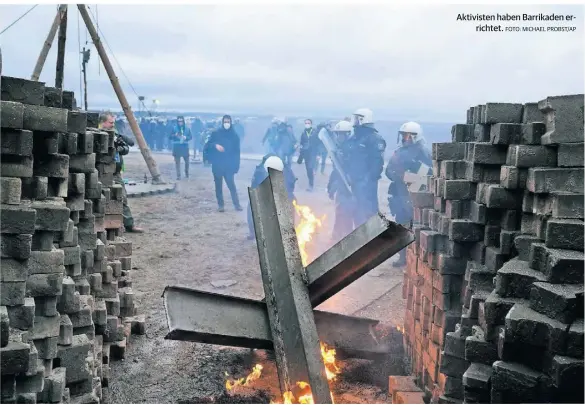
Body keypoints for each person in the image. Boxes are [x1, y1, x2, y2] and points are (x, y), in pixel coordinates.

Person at [385, 121, 432, 267]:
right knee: (401, 225)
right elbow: (388, 171)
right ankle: (403, 257)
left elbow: (430, 174)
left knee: (416, 226)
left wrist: (410, 176)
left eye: (408, 136)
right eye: (404, 135)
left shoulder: (424, 152)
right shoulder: (398, 152)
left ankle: (416, 257)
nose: (405, 139)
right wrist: (396, 175)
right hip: (399, 194)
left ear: (415, 136)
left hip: (415, 194)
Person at [99, 112, 144, 233]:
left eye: (113, 122)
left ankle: (129, 224)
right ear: (103, 122)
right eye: (110, 122)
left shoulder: (115, 134)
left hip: (116, 172)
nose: (113, 125)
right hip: (101, 173)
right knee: (101, 199)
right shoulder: (97, 134)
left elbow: (126, 148)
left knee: (122, 197)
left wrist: (119, 148)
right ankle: (105, 226)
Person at [345, 108, 386, 226]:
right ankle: (359, 237)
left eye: (358, 119)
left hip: (367, 183)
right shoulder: (354, 138)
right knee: (356, 211)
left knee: (368, 211)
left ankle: (372, 238)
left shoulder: (374, 139)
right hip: (353, 181)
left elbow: (377, 163)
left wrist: (367, 180)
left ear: (364, 120)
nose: (355, 122)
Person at [246, 155, 297, 240]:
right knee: (252, 204)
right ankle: (253, 232)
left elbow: (290, 188)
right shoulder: (259, 172)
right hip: (265, 192)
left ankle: (288, 231)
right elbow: (255, 188)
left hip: (281, 192)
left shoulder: (287, 172)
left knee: (292, 202)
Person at [203, 115, 243, 212]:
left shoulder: (234, 136)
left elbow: (237, 152)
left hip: (229, 164)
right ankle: (221, 205)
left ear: (231, 122)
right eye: (225, 122)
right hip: (217, 164)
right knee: (218, 186)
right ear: (222, 122)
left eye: (228, 122)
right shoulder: (216, 133)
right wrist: (215, 145)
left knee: (231, 185)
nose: (226, 124)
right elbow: (208, 145)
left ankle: (237, 205)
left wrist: (236, 166)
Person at [327, 120, 355, 242]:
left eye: (342, 134)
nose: (339, 137)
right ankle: (336, 237)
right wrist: (331, 187)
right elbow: (336, 170)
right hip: (341, 186)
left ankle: (346, 239)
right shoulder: (339, 149)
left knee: (347, 214)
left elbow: (355, 169)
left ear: (348, 134)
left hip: (351, 188)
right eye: (337, 134)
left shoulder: (352, 149)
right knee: (339, 213)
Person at [297, 118, 319, 192]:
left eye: (308, 123)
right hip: (306, 154)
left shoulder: (315, 132)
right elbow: (301, 143)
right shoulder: (303, 133)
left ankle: (311, 185)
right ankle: (311, 180)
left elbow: (318, 144)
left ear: (311, 124)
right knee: (308, 170)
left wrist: (318, 154)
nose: (307, 124)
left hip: (313, 153)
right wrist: (300, 149)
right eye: (306, 123)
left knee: (310, 168)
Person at [169, 116, 192, 180]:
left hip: (185, 146)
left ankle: (186, 173)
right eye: (179, 121)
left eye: (181, 121)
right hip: (177, 147)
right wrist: (175, 135)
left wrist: (186, 138)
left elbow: (191, 137)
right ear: (177, 121)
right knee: (177, 162)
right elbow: (170, 137)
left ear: (183, 121)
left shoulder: (187, 129)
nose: (180, 122)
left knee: (187, 162)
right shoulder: (174, 128)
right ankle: (178, 175)